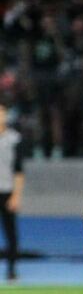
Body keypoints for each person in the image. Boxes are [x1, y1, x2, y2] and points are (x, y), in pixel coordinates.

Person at [0, 104, 23, 281]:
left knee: (10, 232)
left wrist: (16, 195)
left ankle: (12, 269)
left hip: (7, 190)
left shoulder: (14, 139)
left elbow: (18, 169)